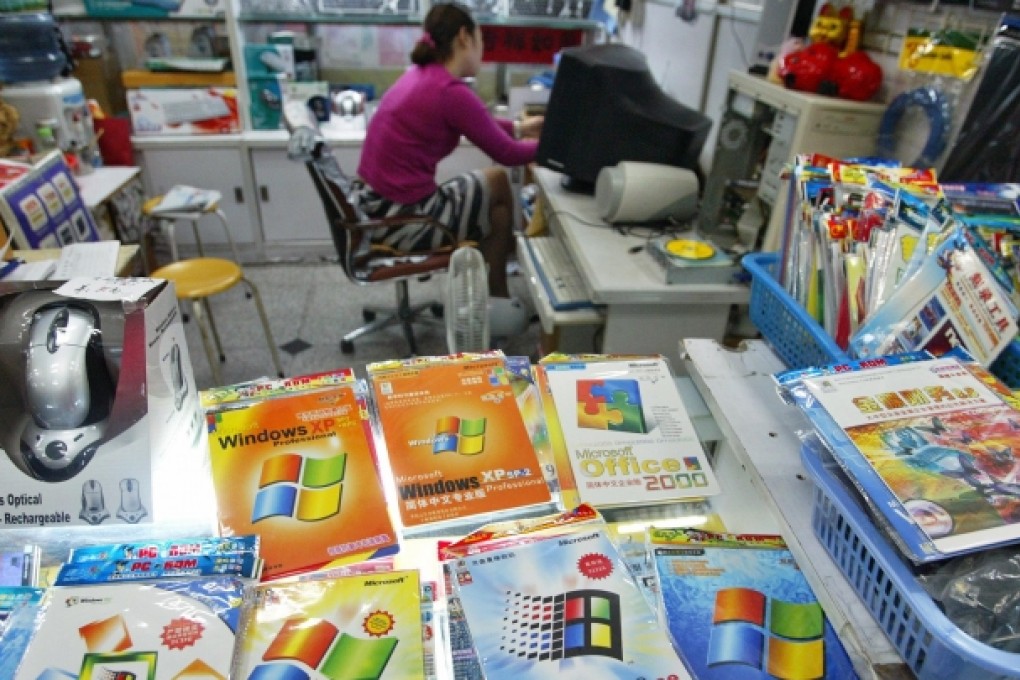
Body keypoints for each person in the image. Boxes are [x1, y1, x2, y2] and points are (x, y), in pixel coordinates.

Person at [354, 1, 543, 298]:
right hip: (402, 219)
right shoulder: (450, 91)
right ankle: (498, 290)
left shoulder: (423, 74)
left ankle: (497, 283)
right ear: (464, 37)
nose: (483, 49)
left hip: (372, 206)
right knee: (498, 189)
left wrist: (522, 129)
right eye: (481, 40)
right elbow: (506, 153)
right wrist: (555, 146)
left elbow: (479, 124)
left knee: (495, 193)